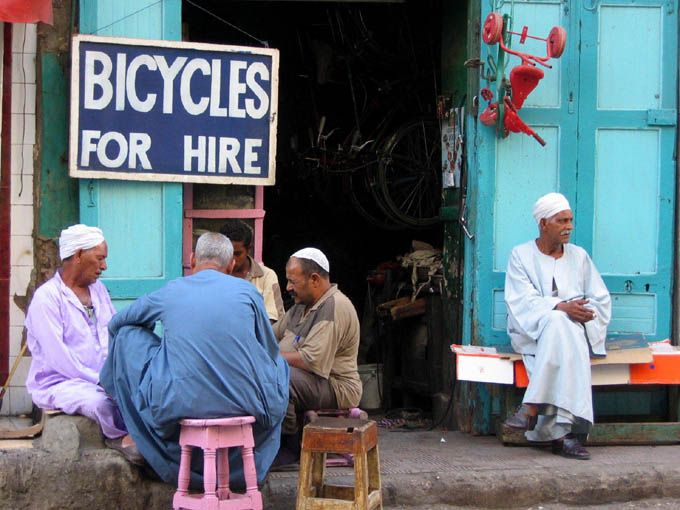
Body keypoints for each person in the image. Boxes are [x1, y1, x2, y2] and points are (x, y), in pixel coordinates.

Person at [99, 232, 289, 486]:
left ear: (191, 260)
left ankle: (140, 438)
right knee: (281, 365)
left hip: (177, 404)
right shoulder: (248, 292)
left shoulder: (172, 290)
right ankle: (244, 468)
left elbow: (118, 323)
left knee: (127, 336)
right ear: (231, 265)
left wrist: (161, 347)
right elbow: (268, 350)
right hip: (245, 403)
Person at [503, 192, 611, 460]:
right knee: (556, 319)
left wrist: (584, 313)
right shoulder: (521, 255)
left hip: (573, 332)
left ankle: (532, 407)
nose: (569, 227)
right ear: (543, 223)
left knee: (562, 325)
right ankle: (564, 434)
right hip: (531, 332)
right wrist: (561, 307)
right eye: (562, 221)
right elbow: (521, 302)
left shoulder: (580, 256)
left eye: (570, 220)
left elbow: (599, 299)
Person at [24, 224, 140, 462]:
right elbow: (59, 359)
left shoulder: (99, 291)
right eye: (99, 259)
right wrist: (100, 381)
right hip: (62, 382)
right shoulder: (47, 299)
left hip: (102, 378)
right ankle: (118, 438)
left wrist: (118, 375)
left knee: (141, 392)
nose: (104, 266)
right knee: (99, 402)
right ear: (77, 255)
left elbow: (112, 336)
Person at [273, 247, 362, 462]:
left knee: (277, 376)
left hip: (336, 385)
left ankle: (289, 443)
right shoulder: (298, 308)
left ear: (314, 279)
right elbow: (270, 337)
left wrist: (266, 359)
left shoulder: (333, 306)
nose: (288, 287)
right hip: (313, 381)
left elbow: (310, 360)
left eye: (293, 281)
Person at [219, 220, 285, 323]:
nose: (232, 259)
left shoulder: (266, 276)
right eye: (228, 253)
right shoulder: (215, 274)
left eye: (237, 254)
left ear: (249, 248)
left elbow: (272, 320)